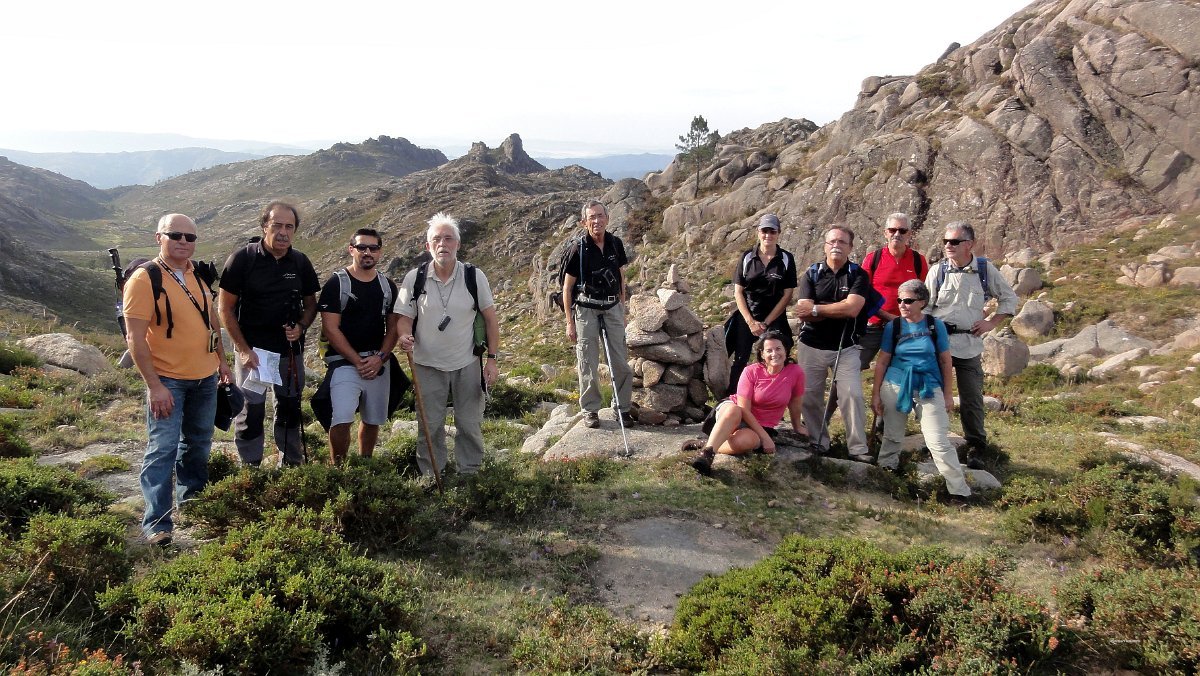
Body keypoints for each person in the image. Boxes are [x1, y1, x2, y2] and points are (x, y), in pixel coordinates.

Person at [124, 214, 232, 546]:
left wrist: (222, 364)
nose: (183, 242)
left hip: (204, 378)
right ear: (159, 237)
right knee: (163, 448)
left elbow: (212, 322)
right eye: (176, 235)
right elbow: (135, 339)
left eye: (189, 237)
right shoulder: (145, 279)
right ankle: (156, 522)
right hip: (168, 380)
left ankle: (193, 500)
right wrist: (155, 386)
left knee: (198, 443)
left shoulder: (196, 274)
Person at [397, 212, 500, 477]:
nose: (442, 244)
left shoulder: (474, 277)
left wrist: (492, 359)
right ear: (427, 246)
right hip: (426, 365)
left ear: (458, 244)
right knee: (429, 425)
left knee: (469, 423)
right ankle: (433, 475)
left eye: (448, 238)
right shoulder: (414, 278)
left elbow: (490, 320)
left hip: (467, 364)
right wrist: (404, 335)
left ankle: (470, 474)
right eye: (436, 239)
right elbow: (404, 318)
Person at [218, 200, 320, 467]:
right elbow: (225, 309)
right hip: (254, 352)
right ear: (265, 226)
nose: (283, 232)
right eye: (277, 225)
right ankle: (250, 467)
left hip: (288, 352)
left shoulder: (300, 262)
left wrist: (301, 327)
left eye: (290, 226)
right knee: (250, 411)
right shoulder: (242, 259)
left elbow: (311, 305)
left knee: (289, 409)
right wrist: (241, 349)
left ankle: (290, 465)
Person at [870, 279, 972, 502]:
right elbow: (882, 361)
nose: (902, 305)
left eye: (908, 300)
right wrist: (876, 393)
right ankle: (887, 481)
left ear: (922, 302)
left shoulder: (936, 326)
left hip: (929, 385)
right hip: (896, 383)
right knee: (892, 437)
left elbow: (946, 361)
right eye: (899, 301)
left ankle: (959, 491)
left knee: (938, 440)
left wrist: (947, 394)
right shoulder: (893, 327)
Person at [924, 222, 1018, 457]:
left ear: (969, 244)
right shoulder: (938, 271)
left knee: (972, 398)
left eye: (954, 241)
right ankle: (934, 442)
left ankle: (976, 446)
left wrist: (991, 323)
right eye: (945, 241)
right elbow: (924, 308)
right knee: (932, 395)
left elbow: (1009, 299)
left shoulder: (985, 270)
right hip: (939, 345)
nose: (948, 246)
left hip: (969, 345)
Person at [316, 228, 399, 464]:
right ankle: (339, 468)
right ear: (351, 249)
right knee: (341, 417)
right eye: (362, 247)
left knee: (372, 420)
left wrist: (380, 358)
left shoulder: (387, 286)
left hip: (377, 362)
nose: (367, 252)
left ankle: (364, 464)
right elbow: (331, 328)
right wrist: (357, 361)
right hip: (344, 363)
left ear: (380, 252)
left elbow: (393, 327)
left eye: (373, 248)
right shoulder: (336, 284)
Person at [795, 226, 872, 460]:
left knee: (852, 395)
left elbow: (853, 308)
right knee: (810, 398)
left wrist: (818, 308)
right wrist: (836, 309)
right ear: (825, 246)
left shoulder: (858, 275)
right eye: (832, 242)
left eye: (842, 242)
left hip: (846, 347)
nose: (836, 245)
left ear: (850, 247)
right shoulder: (812, 273)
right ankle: (820, 442)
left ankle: (858, 449)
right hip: (811, 345)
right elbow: (802, 312)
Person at [688, 331, 806, 475]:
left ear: (786, 350)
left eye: (778, 348)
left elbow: (795, 402)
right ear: (762, 354)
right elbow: (744, 410)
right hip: (734, 414)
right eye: (769, 350)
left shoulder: (795, 372)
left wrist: (797, 426)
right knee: (735, 410)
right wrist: (765, 438)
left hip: (761, 424)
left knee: (747, 442)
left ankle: (706, 444)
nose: (774, 353)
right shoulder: (751, 371)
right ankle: (706, 455)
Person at [562, 200, 636, 429]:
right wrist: (569, 322)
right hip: (586, 310)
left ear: (607, 218)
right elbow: (567, 288)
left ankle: (622, 408)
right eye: (592, 217)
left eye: (600, 216)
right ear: (584, 222)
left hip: (613, 307)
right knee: (588, 361)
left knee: (620, 361)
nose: (597, 221)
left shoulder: (615, 244)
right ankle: (590, 410)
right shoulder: (578, 249)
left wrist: (622, 309)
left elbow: (621, 277)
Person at [725, 213, 797, 393]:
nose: (768, 235)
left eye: (772, 231)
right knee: (740, 358)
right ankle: (733, 399)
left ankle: (771, 400)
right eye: (764, 231)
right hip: (748, 315)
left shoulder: (786, 259)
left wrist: (767, 322)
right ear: (758, 232)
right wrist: (750, 321)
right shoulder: (747, 257)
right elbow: (738, 291)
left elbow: (788, 294)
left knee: (774, 359)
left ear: (778, 233)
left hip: (774, 317)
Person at [857, 213, 928, 368]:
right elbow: (862, 293)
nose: (897, 234)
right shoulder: (872, 258)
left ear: (909, 234)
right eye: (892, 230)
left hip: (905, 327)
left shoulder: (918, 260)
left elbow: (923, 295)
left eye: (902, 231)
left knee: (902, 371)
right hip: (873, 325)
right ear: (885, 233)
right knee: (851, 366)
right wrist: (885, 315)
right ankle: (839, 394)